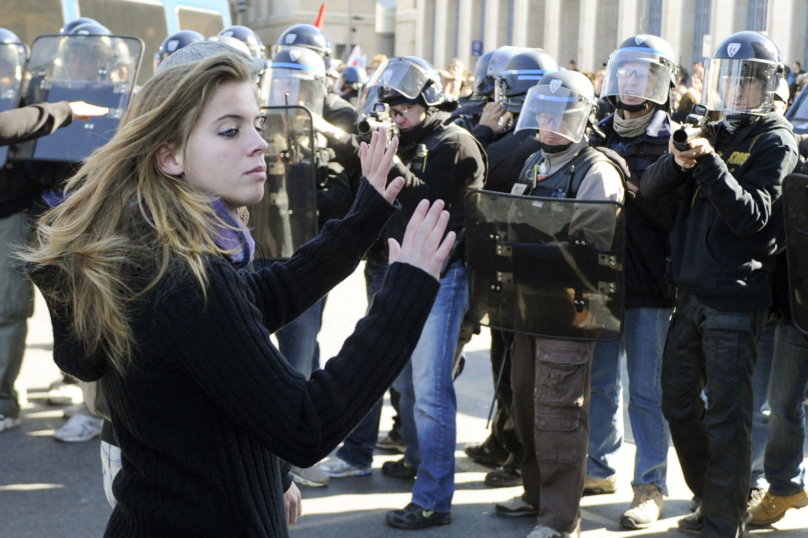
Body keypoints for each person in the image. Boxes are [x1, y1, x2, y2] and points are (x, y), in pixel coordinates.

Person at [20, 50, 456, 536]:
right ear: (169, 155)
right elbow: (306, 424)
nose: (260, 144)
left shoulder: (155, 247)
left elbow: (266, 295)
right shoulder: (183, 277)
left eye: (258, 123)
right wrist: (405, 292)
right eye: (230, 130)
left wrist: (365, 215)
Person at [315, 55, 486, 530]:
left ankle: (433, 497)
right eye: (391, 107)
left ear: (427, 100)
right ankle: (415, 457)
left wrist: (388, 160)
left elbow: (430, 202)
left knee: (431, 390)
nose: (396, 115)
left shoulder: (454, 143)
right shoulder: (416, 139)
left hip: (441, 274)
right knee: (406, 380)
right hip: (406, 269)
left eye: (404, 107)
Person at [641, 31, 799, 537]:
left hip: (735, 297)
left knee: (728, 417)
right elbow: (648, 192)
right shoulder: (711, 127)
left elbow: (751, 216)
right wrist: (677, 158)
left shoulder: (775, 138)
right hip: (690, 292)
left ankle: (723, 519)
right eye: (729, 79)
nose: (736, 90)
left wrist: (707, 164)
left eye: (748, 82)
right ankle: (713, 496)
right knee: (678, 401)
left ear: (767, 86)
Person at [494, 70, 624, 538]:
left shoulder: (596, 171)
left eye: (561, 115)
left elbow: (593, 247)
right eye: (544, 114)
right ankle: (535, 494)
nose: (549, 124)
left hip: (570, 310)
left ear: (582, 118)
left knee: (559, 415)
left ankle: (559, 519)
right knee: (526, 407)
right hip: (529, 305)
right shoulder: (535, 164)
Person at [585, 34, 679, 529]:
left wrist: (629, 185)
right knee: (599, 384)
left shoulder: (674, 138)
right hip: (598, 279)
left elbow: (672, 215)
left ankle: (651, 485)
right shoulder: (595, 129)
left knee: (645, 389)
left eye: (641, 73)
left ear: (659, 79)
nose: (630, 81)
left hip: (649, 283)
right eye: (623, 71)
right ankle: (599, 469)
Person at [463, 48, 558, 490]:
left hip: (515, 271)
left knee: (516, 375)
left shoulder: (519, 142)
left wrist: (483, 129)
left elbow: (473, 163)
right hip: (522, 270)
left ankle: (520, 454)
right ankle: (507, 442)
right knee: (514, 369)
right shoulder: (540, 137)